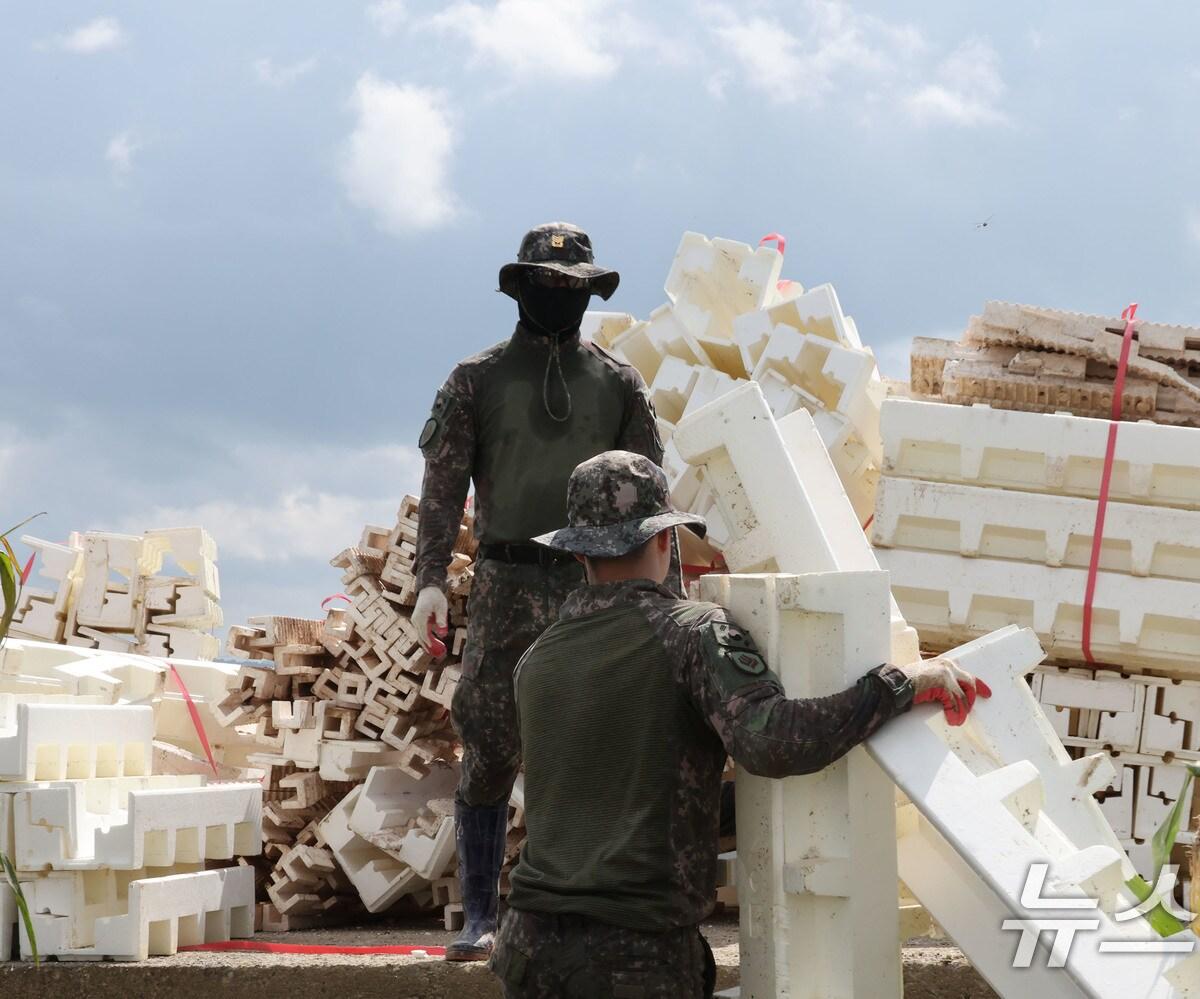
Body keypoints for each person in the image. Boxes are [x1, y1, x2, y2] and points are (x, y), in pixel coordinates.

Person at [486, 450, 984, 998]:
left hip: (529, 951)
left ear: (580, 553)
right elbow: (772, 740)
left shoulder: (537, 659)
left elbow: (623, 793)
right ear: (662, 541)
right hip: (632, 957)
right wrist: (900, 686)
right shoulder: (689, 632)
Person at [411, 223, 666, 962]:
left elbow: (652, 497)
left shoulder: (619, 382)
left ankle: (602, 907)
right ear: (521, 288)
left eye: (573, 287)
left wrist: (666, 592)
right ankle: (482, 913)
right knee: (489, 734)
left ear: (589, 292)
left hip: (600, 577)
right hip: (505, 578)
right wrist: (430, 580)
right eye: (547, 285)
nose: (561, 297)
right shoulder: (477, 379)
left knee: (604, 737)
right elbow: (441, 483)